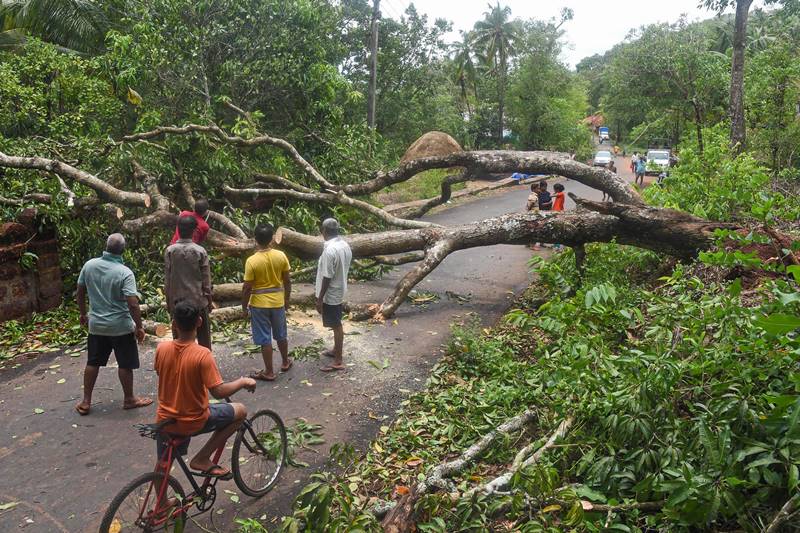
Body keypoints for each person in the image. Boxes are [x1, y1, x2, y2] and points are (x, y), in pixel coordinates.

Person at [154, 301, 256, 478]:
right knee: (240, 411)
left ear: (174, 324)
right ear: (199, 322)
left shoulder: (161, 348)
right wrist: (242, 381)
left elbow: (160, 372)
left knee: (162, 464)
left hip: (164, 419)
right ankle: (202, 458)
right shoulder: (202, 354)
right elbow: (219, 392)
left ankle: (162, 504)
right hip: (192, 420)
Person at [75, 233, 152, 416]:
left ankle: (86, 401)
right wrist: (139, 326)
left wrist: (83, 313)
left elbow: (79, 290)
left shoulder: (89, 265)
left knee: (93, 361)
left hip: (97, 325)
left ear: (106, 247)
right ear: (123, 251)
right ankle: (129, 399)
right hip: (120, 327)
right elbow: (133, 303)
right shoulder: (124, 272)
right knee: (125, 364)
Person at [241, 223, 292, 381]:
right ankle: (285, 362)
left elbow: (247, 287)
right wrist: (287, 299)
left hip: (259, 305)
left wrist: (244, 307)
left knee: (264, 339)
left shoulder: (251, 261)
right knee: (281, 335)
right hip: (277, 303)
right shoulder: (281, 256)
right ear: (271, 239)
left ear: (255, 240)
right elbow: (287, 281)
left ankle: (269, 371)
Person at [165, 215, 213, 349]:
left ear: (178, 230)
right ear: (194, 231)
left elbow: (168, 280)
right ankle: (204, 362)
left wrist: (169, 302)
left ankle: (180, 365)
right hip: (198, 301)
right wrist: (209, 301)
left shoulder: (170, 251)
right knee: (204, 340)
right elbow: (206, 281)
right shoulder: (200, 251)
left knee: (179, 339)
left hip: (177, 303)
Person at [316, 218, 352, 372]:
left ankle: (338, 360)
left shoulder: (330, 250)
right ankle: (335, 350)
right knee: (334, 322)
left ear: (324, 231)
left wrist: (320, 298)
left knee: (336, 324)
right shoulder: (344, 245)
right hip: (339, 288)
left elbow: (327, 276)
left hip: (331, 293)